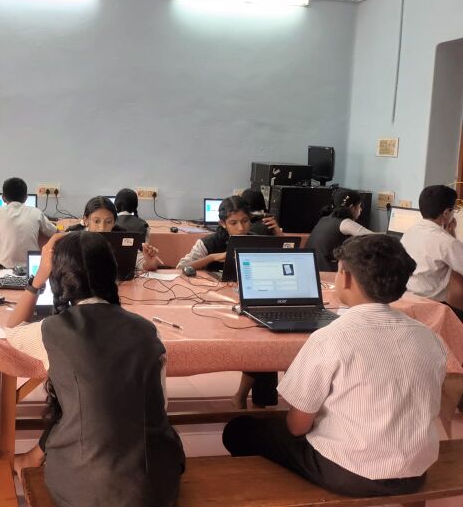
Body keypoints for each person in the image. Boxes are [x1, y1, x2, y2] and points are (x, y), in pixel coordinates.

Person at [223, 234, 446, 498]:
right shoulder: (429, 336)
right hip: (415, 472)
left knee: (239, 430)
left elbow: (297, 427)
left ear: (346, 277)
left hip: (349, 472)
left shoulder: (332, 337)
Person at [6, 231, 185, 506]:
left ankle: (35, 457)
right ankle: (36, 454)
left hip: (87, 490)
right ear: (112, 272)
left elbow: (12, 329)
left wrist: (37, 279)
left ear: (58, 278)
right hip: (157, 486)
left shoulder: (51, 331)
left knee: (80, 415)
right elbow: (160, 407)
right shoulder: (148, 330)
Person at [177, 196, 281, 408]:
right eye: (234, 223)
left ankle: (258, 401)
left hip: (247, 300)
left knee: (264, 341)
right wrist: (211, 258)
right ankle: (247, 398)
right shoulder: (210, 242)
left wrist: (279, 236)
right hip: (212, 306)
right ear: (223, 223)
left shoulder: (256, 239)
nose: (241, 228)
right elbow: (181, 267)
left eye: (245, 221)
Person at [401, 185, 463, 322]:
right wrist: (451, 237)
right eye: (454, 209)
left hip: (406, 300)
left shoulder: (410, 232)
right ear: (446, 213)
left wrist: (450, 234)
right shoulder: (446, 242)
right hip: (430, 307)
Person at [0, 177, 58, 268]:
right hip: (31, 266)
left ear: (3, 198)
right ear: (26, 198)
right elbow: (55, 233)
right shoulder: (36, 212)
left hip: (5, 266)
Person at [66, 196, 162, 272]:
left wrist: (150, 262)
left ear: (114, 222)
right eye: (96, 221)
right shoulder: (73, 239)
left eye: (108, 222)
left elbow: (145, 265)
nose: (102, 228)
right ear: (86, 220)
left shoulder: (122, 237)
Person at [305, 189, 372, 272]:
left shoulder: (325, 219)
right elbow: (375, 237)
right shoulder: (345, 223)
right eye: (359, 206)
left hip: (310, 268)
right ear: (352, 207)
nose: (361, 209)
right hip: (325, 271)